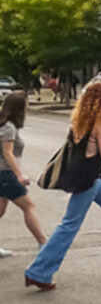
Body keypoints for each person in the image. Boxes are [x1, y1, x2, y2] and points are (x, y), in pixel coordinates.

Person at [25, 82, 101, 291]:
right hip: (89, 179)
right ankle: (38, 272)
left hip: (86, 177)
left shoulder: (78, 119)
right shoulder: (100, 121)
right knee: (69, 225)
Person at [0, 91, 46, 257]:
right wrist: (19, 175)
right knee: (28, 206)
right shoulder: (8, 128)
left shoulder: (6, 125)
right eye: (25, 105)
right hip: (6, 174)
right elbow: (7, 153)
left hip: (3, 174)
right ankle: (43, 243)